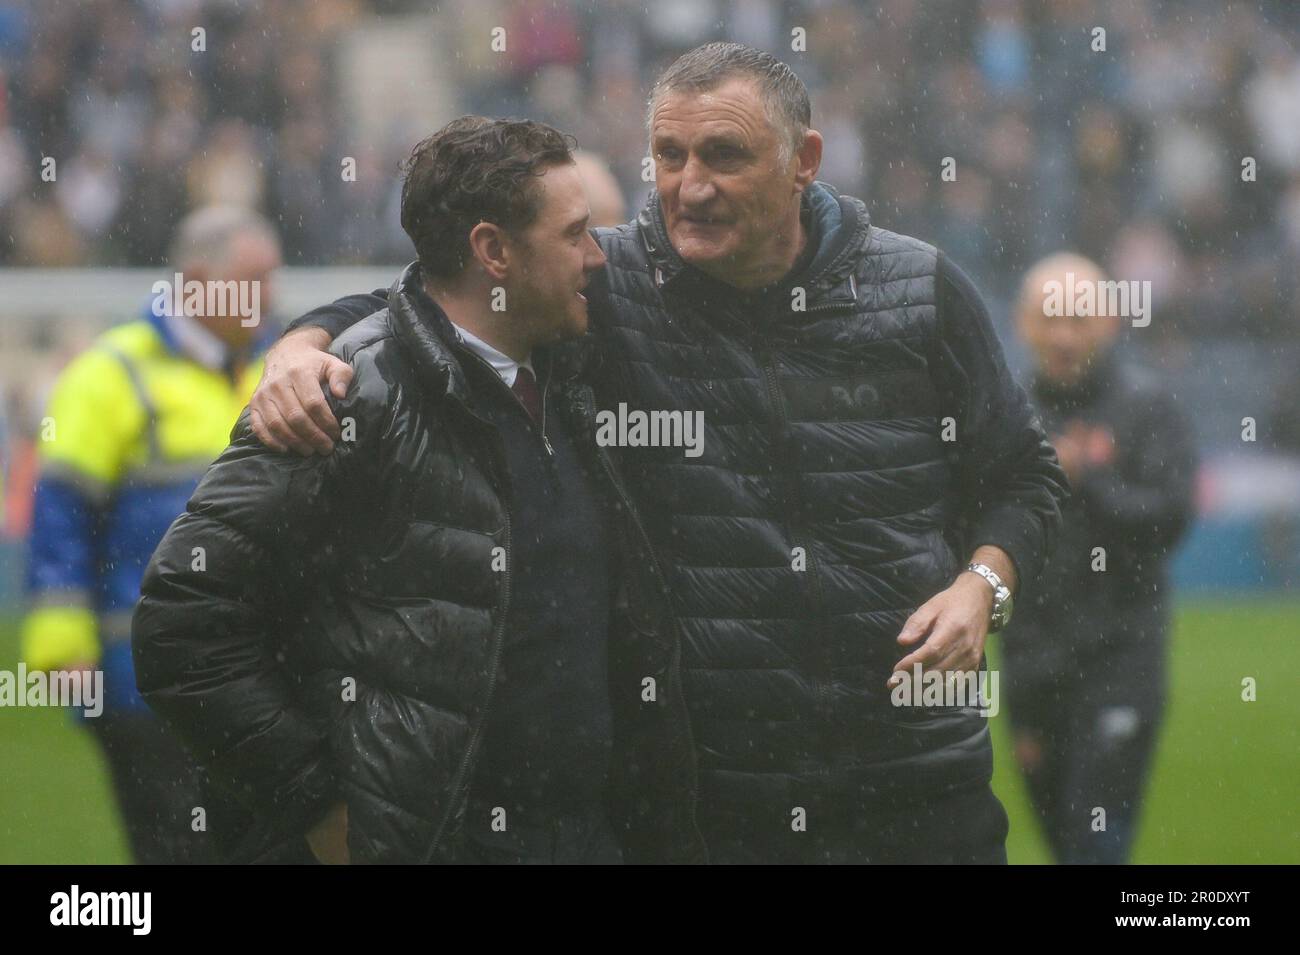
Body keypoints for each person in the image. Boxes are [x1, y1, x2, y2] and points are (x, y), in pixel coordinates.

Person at [249, 42, 1070, 864]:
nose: (691, 186)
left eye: (724, 156)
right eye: (669, 157)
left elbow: (1024, 474)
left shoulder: (920, 291)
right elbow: (441, 295)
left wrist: (983, 583)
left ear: (804, 161)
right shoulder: (605, 287)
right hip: (702, 811)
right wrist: (303, 341)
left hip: (920, 791)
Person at [133, 117, 704, 865]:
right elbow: (181, 620)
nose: (598, 258)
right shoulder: (344, 399)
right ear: (493, 251)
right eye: (575, 235)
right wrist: (320, 808)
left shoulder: (574, 371)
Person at [20, 204, 281, 863]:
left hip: (258, 673)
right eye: (254, 280)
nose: (268, 298)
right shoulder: (109, 375)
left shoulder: (277, 364)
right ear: (196, 281)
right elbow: (59, 519)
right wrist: (61, 648)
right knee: (174, 846)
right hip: (143, 679)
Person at [1002, 252, 1197, 864]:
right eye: (1047, 318)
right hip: (1032, 663)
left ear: (1110, 322)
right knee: (1062, 839)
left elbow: (1170, 519)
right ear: (1020, 323)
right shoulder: (1005, 412)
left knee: (1096, 845)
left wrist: (1093, 480)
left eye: (1079, 319)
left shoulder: (1147, 407)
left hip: (1119, 661)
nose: (1062, 335)